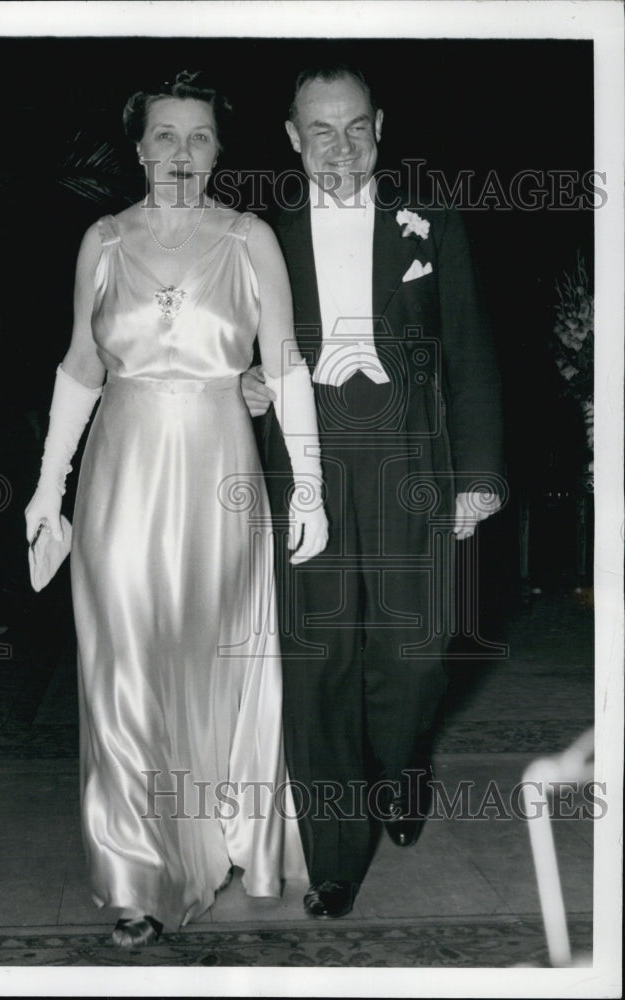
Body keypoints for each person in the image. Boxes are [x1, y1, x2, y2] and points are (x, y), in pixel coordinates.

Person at [24, 71, 328, 947]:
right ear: (138, 145)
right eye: (164, 135)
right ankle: (137, 878)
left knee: (209, 661)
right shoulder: (104, 240)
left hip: (219, 476)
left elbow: (285, 363)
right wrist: (50, 485)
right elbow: (82, 364)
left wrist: (306, 484)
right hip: (119, 477)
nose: (181, 152)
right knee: (122, 665)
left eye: (198, 137)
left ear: (221, 150)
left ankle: (221, 837)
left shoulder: (248, 238)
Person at [243, 64, 503, 919]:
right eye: (320, 130)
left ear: (379, 126)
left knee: (416, 653)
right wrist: (243, 382)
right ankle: (333, 859)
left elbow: (466, 347)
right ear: (291, 137)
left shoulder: (426, 221)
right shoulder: (263, 236)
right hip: (304, 465)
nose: (340, 147)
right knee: (320, 663)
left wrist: (478, 476)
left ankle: (399, 766)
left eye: (354, 127)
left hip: (411, 458)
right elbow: (236, 348)